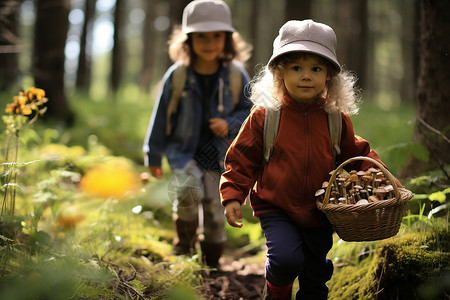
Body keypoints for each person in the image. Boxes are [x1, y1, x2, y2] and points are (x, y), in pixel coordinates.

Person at [219, 19, 402, 299]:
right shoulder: (266, 116)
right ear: (280, 74)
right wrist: (232, 194)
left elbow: (358, 155)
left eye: (316, 68)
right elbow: (241, 158)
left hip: (321, 210)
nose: (307, 76)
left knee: (315, 274)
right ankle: (276, 292)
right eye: (296, 68)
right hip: (276, 205)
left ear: (328, 75)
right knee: (286, 260)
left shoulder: (334, 119)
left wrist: (384, 179)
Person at [143, 0, 252, 268]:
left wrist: (229, 122)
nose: (209, 42)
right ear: (187, 39)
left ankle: (212, 262)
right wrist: (153, 155)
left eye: (217, 35)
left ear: (227, 39)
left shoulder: (236, 74)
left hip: (221, 157)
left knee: (216, 209)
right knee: (187, 198)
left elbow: (251, 111)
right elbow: (161, 118)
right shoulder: (177, 75)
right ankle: (184, 251)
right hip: (183, 154)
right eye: (201, 36)